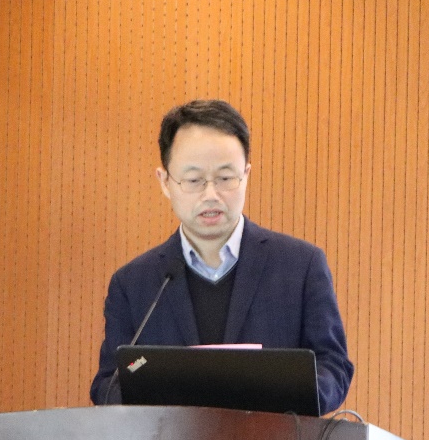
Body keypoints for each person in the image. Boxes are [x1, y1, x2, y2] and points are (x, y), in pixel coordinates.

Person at [89, 99, 354, 415]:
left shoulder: (301, 267)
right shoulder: (134, 285)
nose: (211, 194)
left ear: (246, 174)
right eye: (194, 180)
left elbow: (333, 366)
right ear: (165, 182)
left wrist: (286, 397)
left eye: (226, 178)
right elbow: (109, 384)